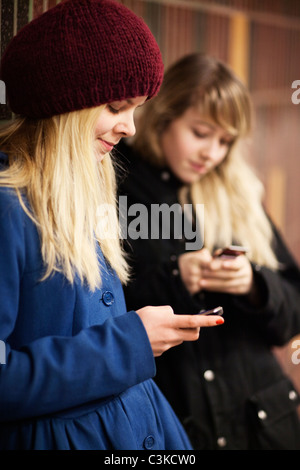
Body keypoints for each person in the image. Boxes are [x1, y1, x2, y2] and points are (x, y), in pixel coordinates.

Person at [0, 3, 225, 451]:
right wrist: (131, 342)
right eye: (117, 106)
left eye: (138, 108)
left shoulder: (82, 190)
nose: (131, 128)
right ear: (64, 103)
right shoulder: (9, 209)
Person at [117, 53, 300, 450]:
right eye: (201, 133)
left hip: (263, 424)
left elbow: (293, 312)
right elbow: (102, 310)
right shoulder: (116, 183)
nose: (212, 154)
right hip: (175, 428)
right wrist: (175, 276)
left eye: (225, 141)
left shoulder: (238, 191)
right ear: (164, 116)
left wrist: (254, 284)